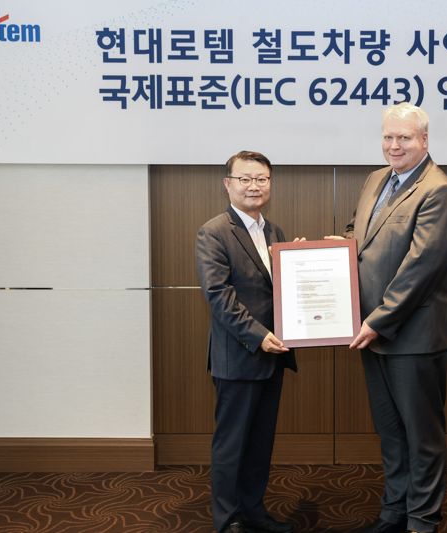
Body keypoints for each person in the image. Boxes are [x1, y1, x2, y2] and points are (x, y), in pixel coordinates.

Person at [330, 103, 447, 533]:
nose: (394, 145)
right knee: (390, 431)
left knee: (421, 436)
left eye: (404, 138)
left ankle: (422, 521)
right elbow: (359, 233)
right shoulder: (376, 179)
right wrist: (335, 249)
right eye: (388, 137)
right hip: (373, 331)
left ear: (424, 140)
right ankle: (394, 512)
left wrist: (377, 321)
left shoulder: (439, 191)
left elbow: (421, 268)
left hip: (413, 335)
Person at [195, 150, 297, 533]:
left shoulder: (275, 232)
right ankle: (228, 520)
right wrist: (259, 336)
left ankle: (254, 512)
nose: (254, 186)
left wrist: (298, 264)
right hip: (239, 356)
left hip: (272, 356)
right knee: (232, 444)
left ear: (270, 183)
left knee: (259, 444)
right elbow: (218, 296)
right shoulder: (214, 232)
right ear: (228, 184)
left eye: (262, 179)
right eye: (245, 179)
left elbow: (278, 292)